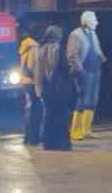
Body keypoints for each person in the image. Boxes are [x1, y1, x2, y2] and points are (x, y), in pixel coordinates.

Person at [66, 9, 106, 140]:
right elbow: (71, 55)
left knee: (92, 100)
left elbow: (97, 49)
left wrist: (101, 57)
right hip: (83, 71)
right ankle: (75, 131)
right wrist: (80, 69)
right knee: (82, 100)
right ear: (87, 21)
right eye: (95, 20)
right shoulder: (75, 34)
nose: (97, 22)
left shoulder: (93, 33)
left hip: (95, 70)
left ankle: (86, 130)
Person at [36, 25, 73, 150]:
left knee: (49, 116)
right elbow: (64, 70)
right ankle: (62, 143)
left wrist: (39, 89)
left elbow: (38, 71)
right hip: (59, 89)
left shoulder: (41, 50)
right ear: (57, 36)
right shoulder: (58, 49)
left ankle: (48, 143)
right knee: (61, 116)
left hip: (46, 88)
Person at [18, 26, 43, 146]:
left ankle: (27, 137)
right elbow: (34, 66)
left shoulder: (24, 46)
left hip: (25, 81)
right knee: (36, 110)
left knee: (29, 109)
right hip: (32, 82)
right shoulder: (34, 47)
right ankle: (34, 138)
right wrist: (39, 83)